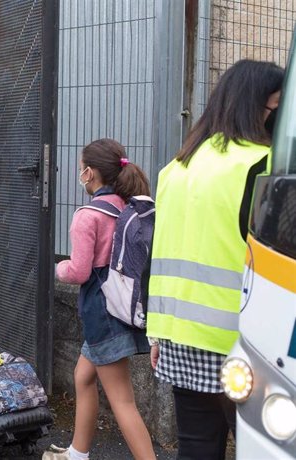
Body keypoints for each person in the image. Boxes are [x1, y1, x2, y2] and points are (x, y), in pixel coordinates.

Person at [147, 59, 284, 460]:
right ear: (257, 107)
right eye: (278, 108)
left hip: (180, 335)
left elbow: (160, 254)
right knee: (262, 448)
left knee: (197, 446)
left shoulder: (177, 166)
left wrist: (158, 331)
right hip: (246, 342)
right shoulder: (262, 165)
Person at [55, 139, 155, 460]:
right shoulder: (128, 208)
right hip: (125, 305)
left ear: (90, 173)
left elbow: (80, 271)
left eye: (81, 168)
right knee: (83, 377)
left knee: (123, 401)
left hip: (102, 311)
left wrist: (59, 268)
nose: (79, 174)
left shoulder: (88, 216)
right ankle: (77, 453)